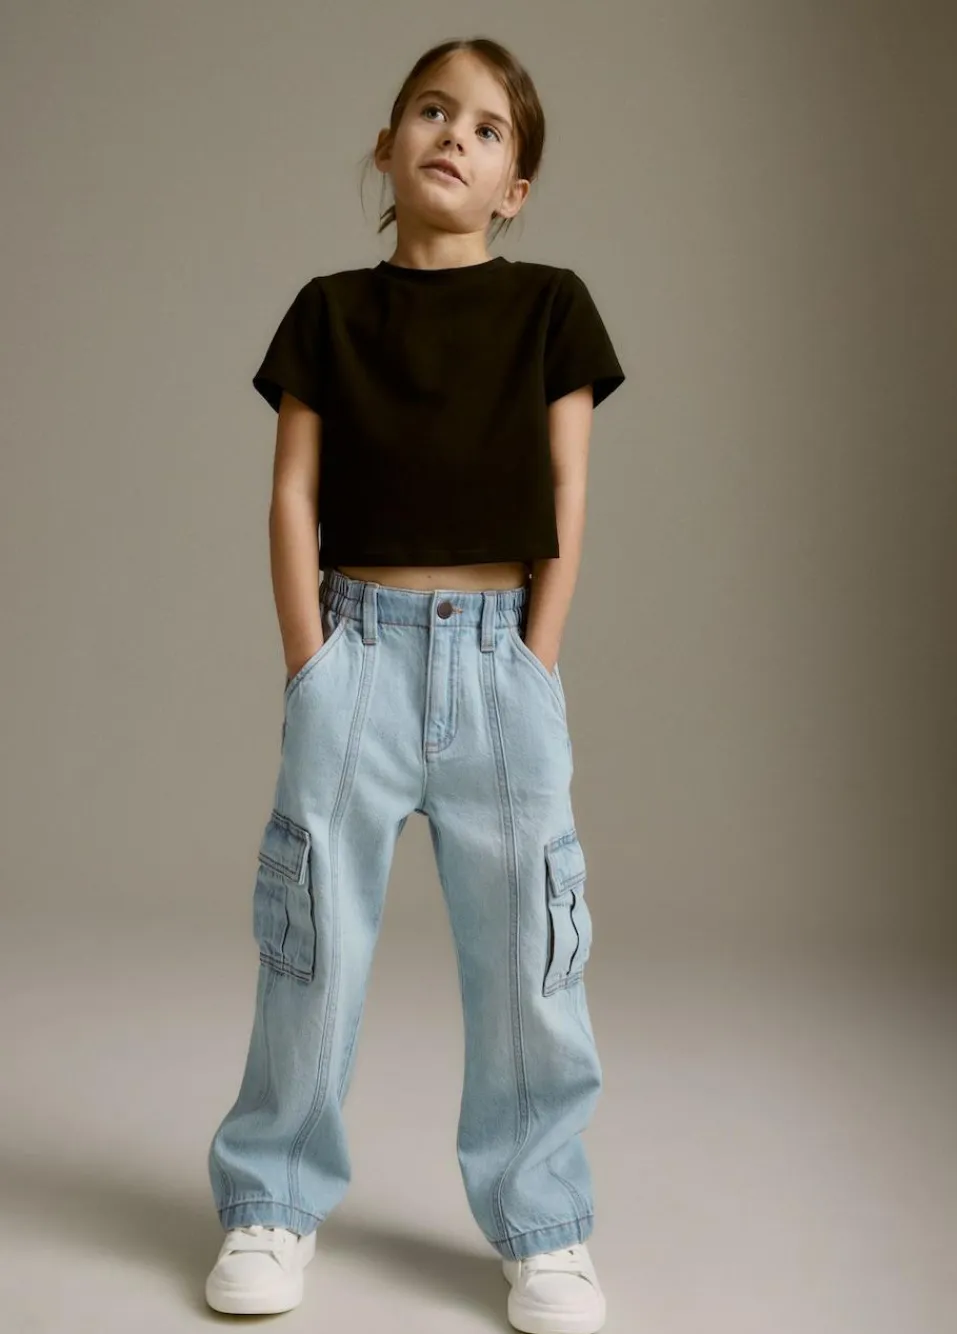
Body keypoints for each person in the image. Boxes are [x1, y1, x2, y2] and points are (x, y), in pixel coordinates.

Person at [204, 34, 626, 1334]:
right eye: (432, 112)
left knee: (531, 961)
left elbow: (568, 491)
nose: (456, 135)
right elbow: (292, 494)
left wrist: (536, 658)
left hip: (501, 667)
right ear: (387, 146)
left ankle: (544, 1225)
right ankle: (270, 1202)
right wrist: (312, 661)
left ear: (516, 187)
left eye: (489, 129)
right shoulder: (329, 312)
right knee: (311, 945)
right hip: (358, 658)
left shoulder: (551, 306)